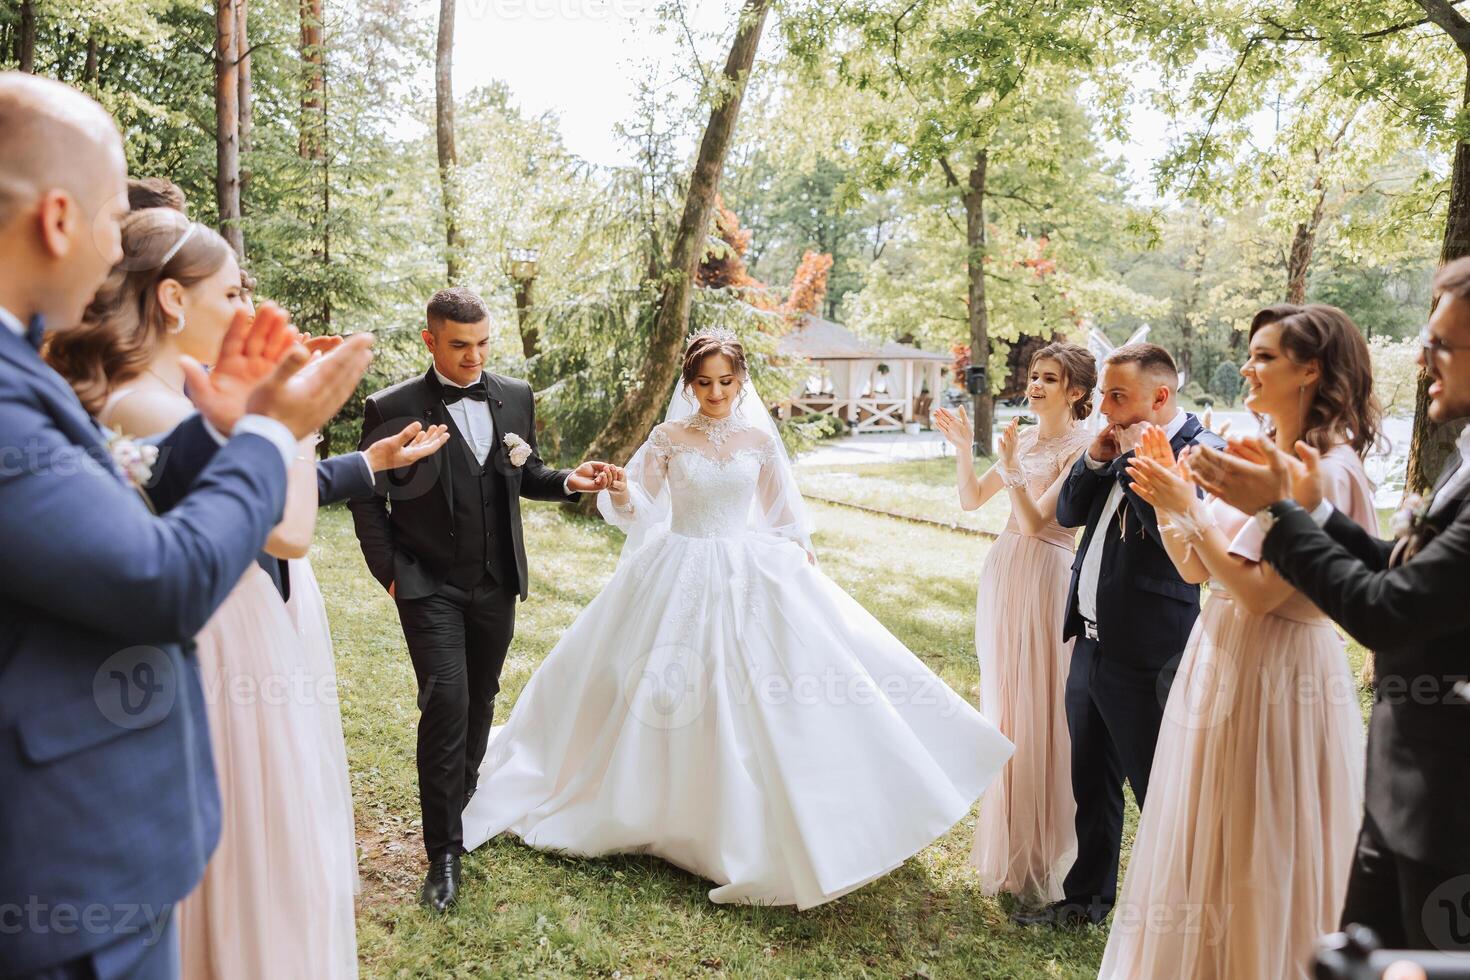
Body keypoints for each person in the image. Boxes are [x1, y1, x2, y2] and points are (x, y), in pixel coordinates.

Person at [0, 72, 370, 980]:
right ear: (56, 220)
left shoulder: (26, 371)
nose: (110, 250)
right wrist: (270, 430)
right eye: (104, 218)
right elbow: (156, 584)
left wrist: (230, 422)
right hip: (66, 875)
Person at [457, 331, 1016, 910]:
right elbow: (637, 512)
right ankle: (651, 804)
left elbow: (782, 516)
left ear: (742, 380)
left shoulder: (758, 439)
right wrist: (622, 490)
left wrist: (799, 564)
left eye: (726, 382)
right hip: (677, 564)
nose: (716, 393)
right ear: (689, 384)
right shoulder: (668, 437)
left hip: (747, 569)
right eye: (704, 383)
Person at [48, 207, 431, 979]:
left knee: (280, 840)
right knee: (258, 851)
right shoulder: (142, 405)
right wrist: (290, 418)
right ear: (171, 300)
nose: (245, 312)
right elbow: (287, 531)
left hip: (240, 628)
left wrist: (277, 420)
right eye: (231, 295)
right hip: (218, 647)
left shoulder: (171, 395)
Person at [1189, 257, 1470, 952]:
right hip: (1403, 792)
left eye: (1441, 344)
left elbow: (1387, 611)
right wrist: (1316, 515)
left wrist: (1282, 517)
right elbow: (1404, 571)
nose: (1423, 357)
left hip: (1446, 804)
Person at [1100, 304, 1380, 977]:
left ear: (1311, 370)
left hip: (1278, 667)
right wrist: (1170, 499)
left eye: (1265, 356)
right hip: (1220, 654)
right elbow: (1198, 567)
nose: (1247, 368)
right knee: (1211, 835)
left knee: (1260, 839)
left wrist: (1186, 505)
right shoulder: (1262, 455)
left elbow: (1257, 590)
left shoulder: (1328, 468)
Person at [349, 286, 614, 911]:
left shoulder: (514, 396)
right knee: (446, 701)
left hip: (496, 583)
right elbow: (366, 495)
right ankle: (441, 854)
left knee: (482, 699)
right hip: (426, 584)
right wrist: (391, 573)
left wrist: (570, 481)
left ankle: (461, 804)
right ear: (431, 341)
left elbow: (525, 473)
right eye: (460, 346)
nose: (474, 357)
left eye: (483, 344)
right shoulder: (390, 406)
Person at [1014, 342, 1225, 928]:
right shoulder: (1115, 438)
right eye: (1103, 394)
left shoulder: (1205, 453)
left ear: (1161, 396)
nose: (1105, 408)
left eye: (1118, 396)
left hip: (1149, 648)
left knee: (1155, 784)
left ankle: (1178, 911)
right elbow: (1072, 513)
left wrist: (1139, 471)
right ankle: (1085, 900)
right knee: (1093, 781)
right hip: (1089, 639)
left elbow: (1186, 551)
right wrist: (1101, 461)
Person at [933, 342, 1095, 906]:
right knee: (1005, 702)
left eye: (1050, 378)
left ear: (1075, 392)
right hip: (1003, 572)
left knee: (1041, 708)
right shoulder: (1023, 438)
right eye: (1034, 375)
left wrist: (1010, 469)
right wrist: (962, 449)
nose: (1037, 385)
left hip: (1048, 574)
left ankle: (1041, 852)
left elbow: (1033, 522)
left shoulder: (1083, 448)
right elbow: (973, 500)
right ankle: (1007, 848)